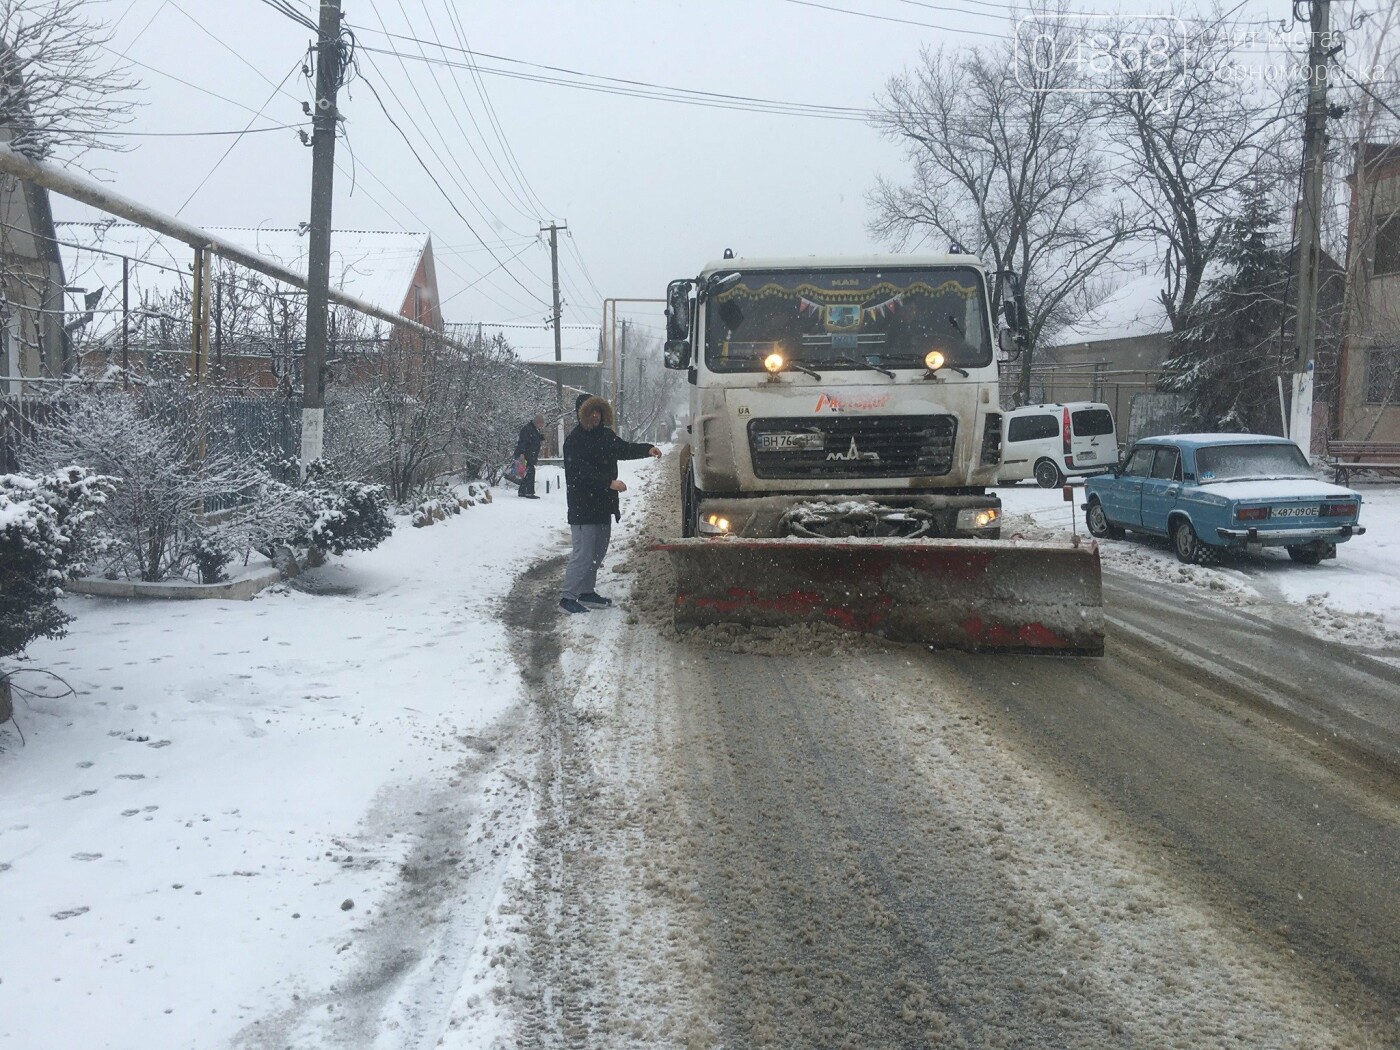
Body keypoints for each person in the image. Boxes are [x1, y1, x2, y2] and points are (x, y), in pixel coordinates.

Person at [559, 394, 661, 614]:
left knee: (598, 552)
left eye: (598, 411)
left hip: (603, 506)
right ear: (581, 414)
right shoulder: (574, 441)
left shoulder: (605, 435)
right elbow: (580, 475)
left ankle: (586, 591)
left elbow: (623, 449)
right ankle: (567, 597)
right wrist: (609, 483)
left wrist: (646, 449)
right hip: (583, 507)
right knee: (583, 554)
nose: (595, 416)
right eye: (591, 412)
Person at [513, 414, 546, 498]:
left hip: (529, 454)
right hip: (526, 455)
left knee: (526, 472)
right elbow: (523, 442)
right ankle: (529, 492)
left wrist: (541, 437)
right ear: (537, 422)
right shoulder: (528, 429)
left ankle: (522, 491)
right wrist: (522, 453)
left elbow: (534, 438)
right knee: (530, 472)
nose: (542, 426)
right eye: (541, 423)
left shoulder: (533, 429)